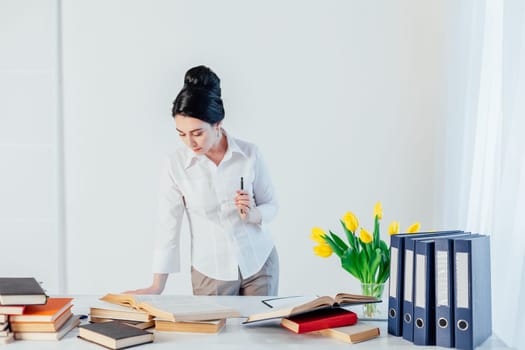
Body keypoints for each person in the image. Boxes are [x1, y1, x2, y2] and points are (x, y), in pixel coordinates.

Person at [125, 65, 279, 296]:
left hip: (259, 262)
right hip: (212, 271)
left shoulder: (250, 154)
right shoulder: (175, 165)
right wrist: (157, 285)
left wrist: (253, 214)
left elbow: (272, 205)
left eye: (197, 133)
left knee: (264, 331)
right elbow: (168, 225)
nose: (189, 142)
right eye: (181, 133)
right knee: (215, 332)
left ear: (218, 124)